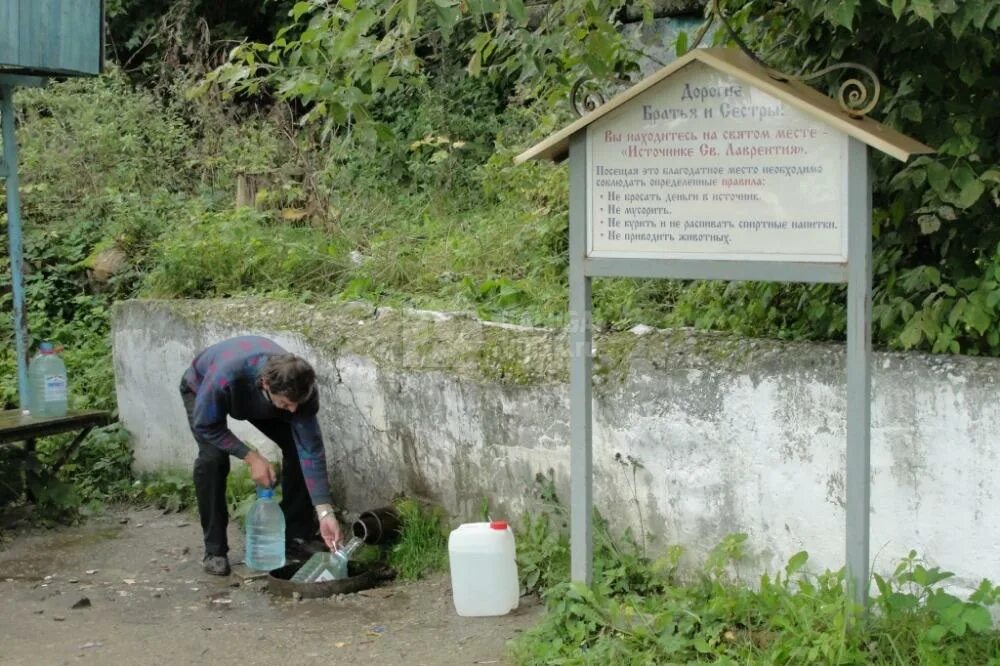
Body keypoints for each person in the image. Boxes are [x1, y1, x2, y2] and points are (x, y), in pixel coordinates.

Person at [179, 335, 343, 575]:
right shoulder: (225, 378)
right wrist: (250, 456)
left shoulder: (301, 392)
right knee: (212, 460)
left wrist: (325, 511)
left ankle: (296, 536)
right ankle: (214, 550)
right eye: (287, 405)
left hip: (259, 397)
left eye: (297, 404)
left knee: (299, 451)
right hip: (202, 388)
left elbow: (311, 449)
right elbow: (206, 425)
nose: (294, 411)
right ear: (266, 384)